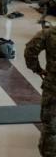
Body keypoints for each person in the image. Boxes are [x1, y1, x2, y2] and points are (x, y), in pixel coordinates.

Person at [24, 9, 56, 156]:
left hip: (53, 87)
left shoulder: (49, 33)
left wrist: (37, 69)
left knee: (50, 126)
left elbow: (30, 50)